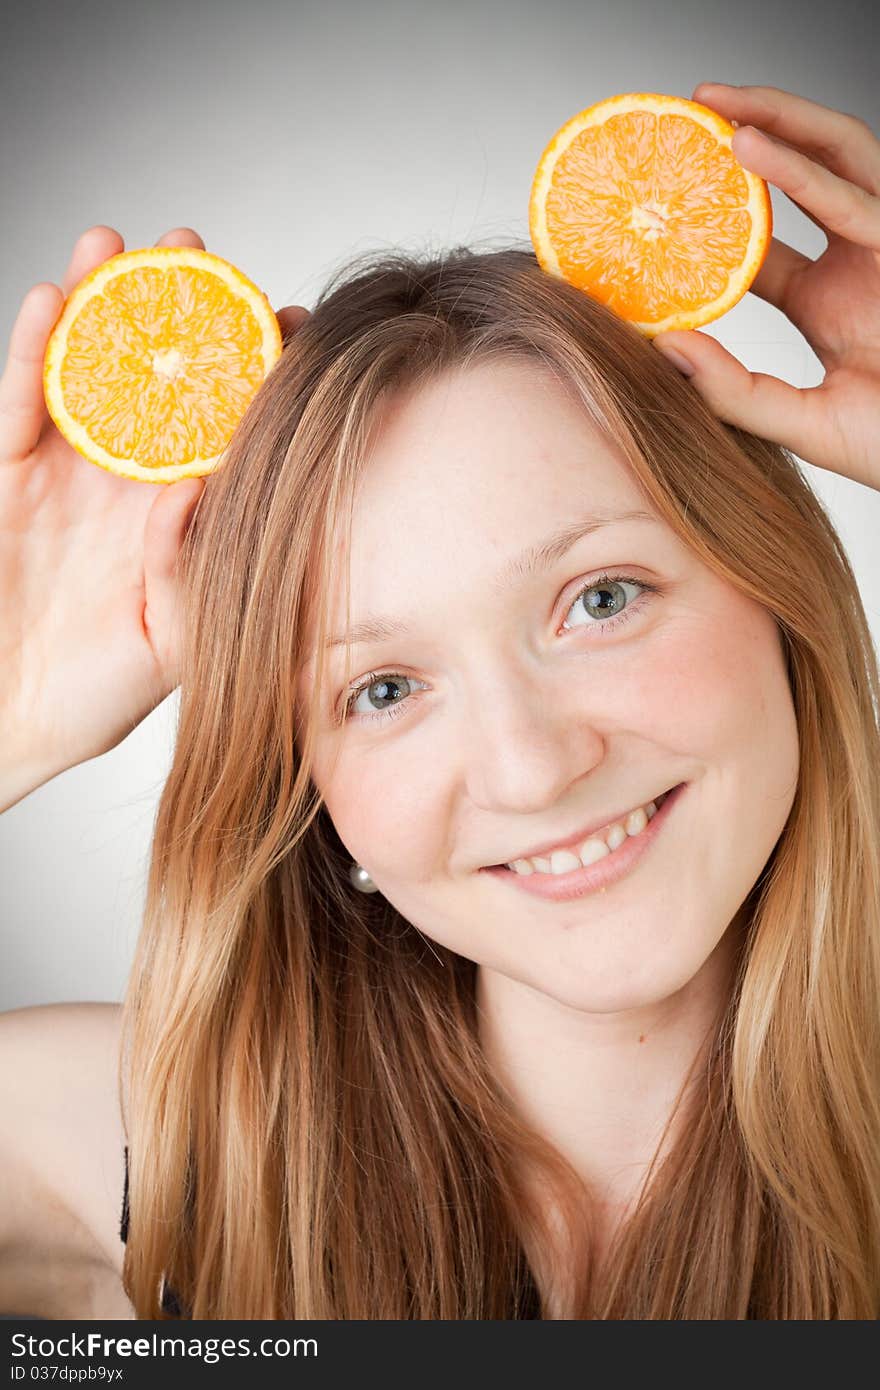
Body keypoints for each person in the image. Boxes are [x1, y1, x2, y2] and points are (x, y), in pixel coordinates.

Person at [0, 82, 878, 1320]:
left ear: (776, 589)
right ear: (312, 785)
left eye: (602, 598)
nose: (529, 767)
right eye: (385, 686)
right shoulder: (160, 1157)